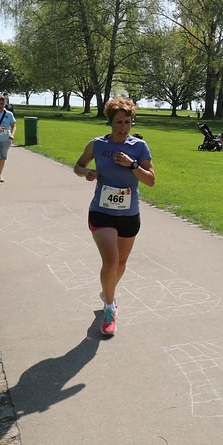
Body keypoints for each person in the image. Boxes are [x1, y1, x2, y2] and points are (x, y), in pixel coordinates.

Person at [73, 98, 155, 337]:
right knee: (110, 262)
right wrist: (86, 172)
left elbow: (151, 181)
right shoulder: (97, 145)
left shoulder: (139, 147)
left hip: (129, 214)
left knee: (120, 264)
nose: (123, 127)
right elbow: (78, 165)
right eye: (118, 122)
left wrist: (132, 165)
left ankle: (107, 291)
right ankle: (110, 308)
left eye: (127, 122)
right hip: (102, 211)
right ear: (110, 122)